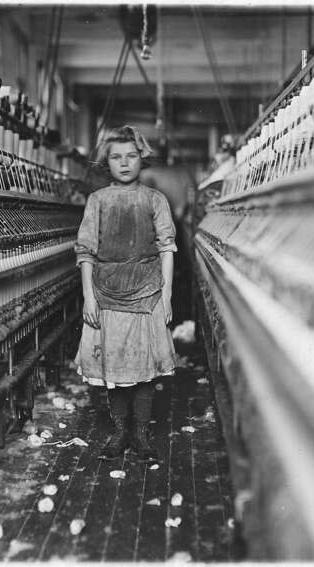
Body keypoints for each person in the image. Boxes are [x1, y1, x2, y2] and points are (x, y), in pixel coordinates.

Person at [73, 125, 177, 463]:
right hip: (107, 296)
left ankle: (142, 437)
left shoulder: (154, 199)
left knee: (144, 371)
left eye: (131, 156)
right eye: (117, 157)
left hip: (147, 295)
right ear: (107, 161)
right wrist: (89, 297)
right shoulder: (98, 200)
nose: (124, 163)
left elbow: (167, 249)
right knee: (114, 372)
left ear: (141, 159)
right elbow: (85, 251)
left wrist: (167, 295)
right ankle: (119, 434)